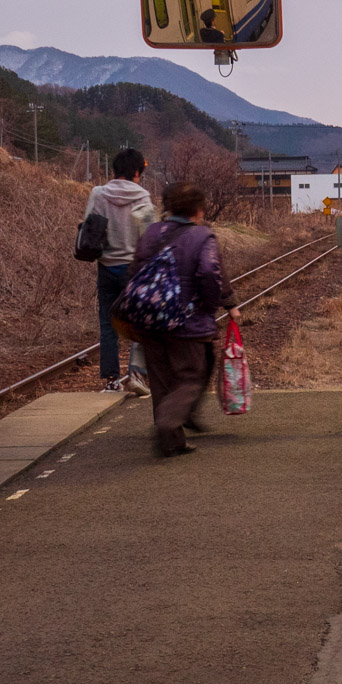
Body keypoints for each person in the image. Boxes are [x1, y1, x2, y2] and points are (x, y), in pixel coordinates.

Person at [133, 182, 239, 457]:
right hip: (186, 320)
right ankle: (169, 423)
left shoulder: (152, 232)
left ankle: (173, 441)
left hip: (149, 320)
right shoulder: (202, 236)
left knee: (160, 380)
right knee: (191, 375)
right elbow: (208, 273)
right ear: (198, 209)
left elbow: (135, 269)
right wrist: (209, 306)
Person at [84, 147, 156, 394]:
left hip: (106, 266)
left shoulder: (99, 194)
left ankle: (112, 382)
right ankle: (136, 374)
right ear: (137, 172)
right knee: (141, 321)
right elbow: (149, 238)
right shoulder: (142, 197)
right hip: (134, 270)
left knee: (107, 324)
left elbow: (89, 227)